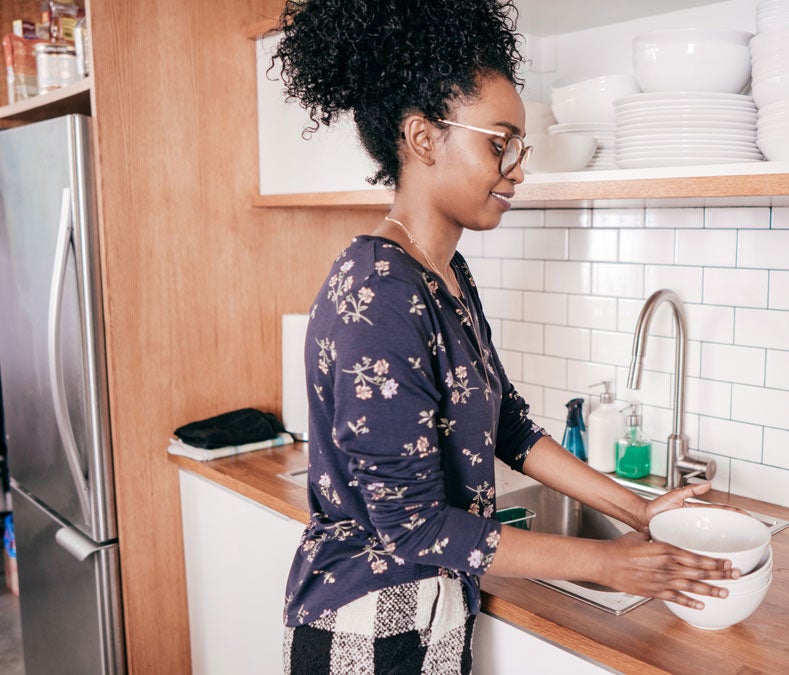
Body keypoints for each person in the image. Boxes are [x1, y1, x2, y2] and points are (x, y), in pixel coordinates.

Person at [272, 1, 738, 672]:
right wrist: (611, 563)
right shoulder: (379, 297)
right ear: (425, 138)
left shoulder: (444, 272)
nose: (519, 167)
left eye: (519, 146)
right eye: (500, 142)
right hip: (367, 633)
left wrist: (638, 512)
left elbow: (509, 426)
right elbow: (416, 524)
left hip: (430, 616)